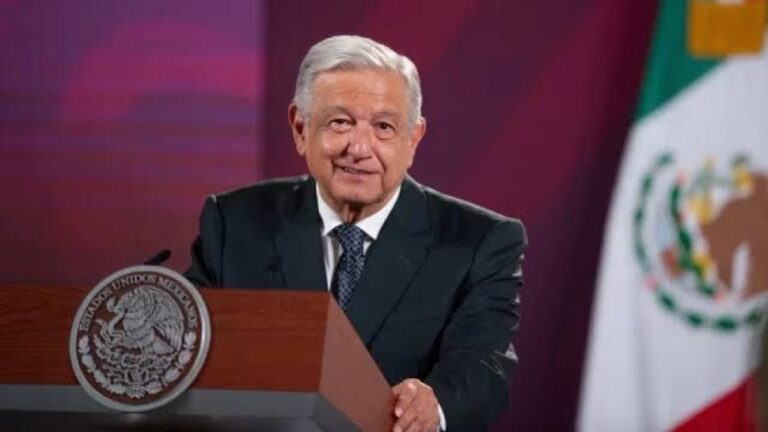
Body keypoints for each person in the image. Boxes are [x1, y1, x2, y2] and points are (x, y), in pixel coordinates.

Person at [185, 35, 527, 432]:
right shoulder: (235, 221)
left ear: (413, 139)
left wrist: (434, 403)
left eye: (383, 127)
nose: (360, 148)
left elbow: (482, 363)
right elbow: (185, 346)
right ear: (300, 127)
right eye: (340, 122)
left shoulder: (479, 241)